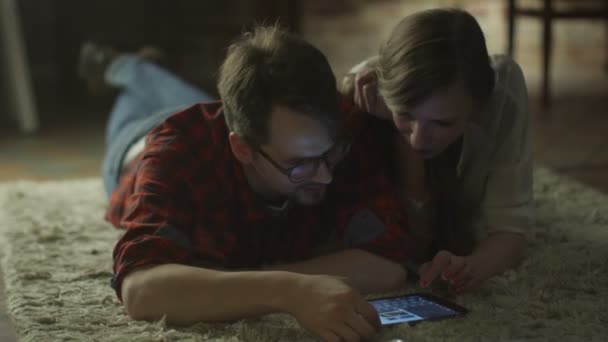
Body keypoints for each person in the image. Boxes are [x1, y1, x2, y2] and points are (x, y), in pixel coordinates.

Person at [80, 25, 414, 342]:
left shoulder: (328, 131)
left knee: (196, 99)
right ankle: (126, 66)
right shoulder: (177, 151)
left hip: (227, 117)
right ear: (242, 149)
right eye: (298, 164)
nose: (325, 175)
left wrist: (277, 273)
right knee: (136, 105)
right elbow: (141, 290)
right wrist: (287, 290)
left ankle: (138, 68)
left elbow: (389, 266)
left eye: (330, 154)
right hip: (135, 148)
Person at [344, 8, 533, 294]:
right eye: (405, 115)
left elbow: (511, 227)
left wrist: (472, 267)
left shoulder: (500, 96)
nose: (419, 140)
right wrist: (397, 134)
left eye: (443, 122)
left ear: (477, 104)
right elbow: (413, 243)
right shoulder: (363, 94)